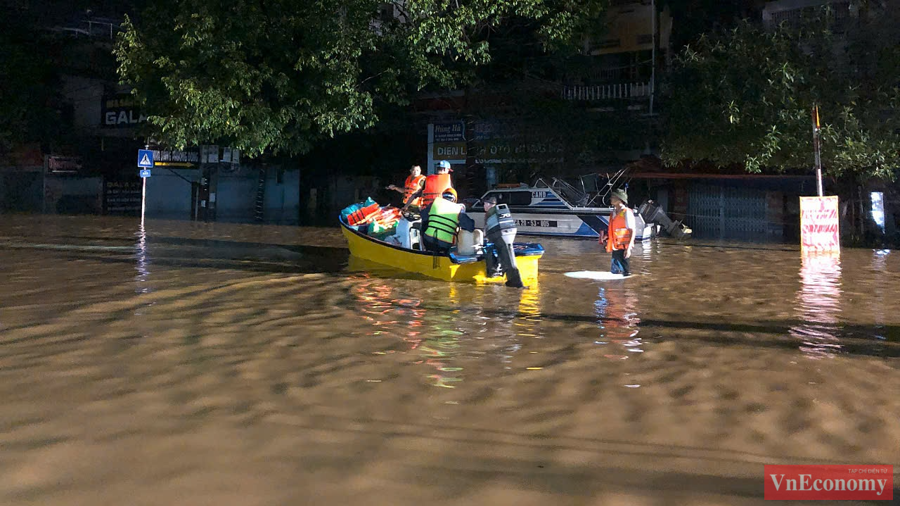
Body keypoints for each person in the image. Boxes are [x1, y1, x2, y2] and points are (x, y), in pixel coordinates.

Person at [600, 188, 636, 277]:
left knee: (625, 274)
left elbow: (632, 230)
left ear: (620, 199)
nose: (611, 199)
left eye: (613, 197)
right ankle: (615, 290)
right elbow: (614, 229)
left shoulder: (626, 212)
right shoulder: (614, 213)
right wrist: (606, 237)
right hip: (615, 247)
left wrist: (628, 249)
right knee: (615, 273)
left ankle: (626, 289)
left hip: (624, 248)